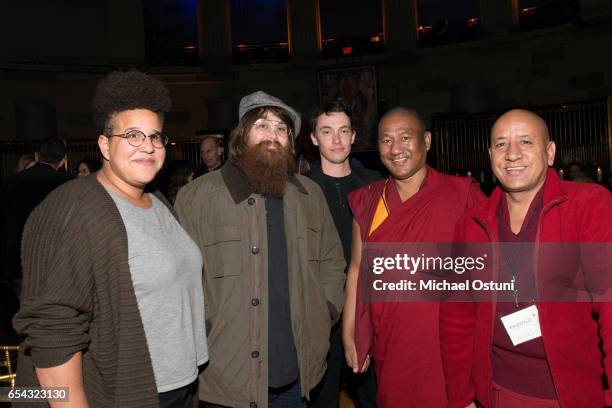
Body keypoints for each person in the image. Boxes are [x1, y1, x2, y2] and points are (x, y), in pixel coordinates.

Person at [13, 70, 208, 408]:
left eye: (155, 136)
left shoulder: (157, 200)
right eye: (132, 135)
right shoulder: (74, 208)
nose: (147, 146)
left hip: (178, 386)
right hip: (127, 393)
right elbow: (51, 331)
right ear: (104, 144)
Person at [175, 90, 346, 408]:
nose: (274, 135)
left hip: (299, 375)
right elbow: (181, 278)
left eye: (282, 129)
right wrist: (206, 325)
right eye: (263, 125)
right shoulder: (197, 198)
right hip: (227, 375)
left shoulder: (309, 195)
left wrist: (326, 310)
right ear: (241, 135)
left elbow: (332, 258)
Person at [439, 109, 612, 408]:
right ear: (491, 154)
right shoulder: (472, 223)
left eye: (526, 142)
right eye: (502, 144)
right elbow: (457, 317)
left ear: (550, 152)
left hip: (569, 395)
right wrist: (461, 397)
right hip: (497, 392)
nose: (512, 154)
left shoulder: (587, 205)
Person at [342, 107, 484, 408]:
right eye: (386, 140)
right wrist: (351, 331)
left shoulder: (462, 195)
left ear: (427, 140)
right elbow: (357, 269)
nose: (396, 149)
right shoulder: (369, 200)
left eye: (406, 137)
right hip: (393, 339)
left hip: (451, 340)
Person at [306, 98, 380, 408]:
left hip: (369, 309)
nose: (336, 139)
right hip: (322, 313)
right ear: (313, 138)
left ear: (353, 136)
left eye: (343, 131)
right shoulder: (301, 189)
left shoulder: (376, 184)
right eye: (327, 131)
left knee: (374, 396)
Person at [0, 138, 71, 298]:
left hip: (19, 260)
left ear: (37, 156)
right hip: (55, 261)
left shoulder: (12, 181)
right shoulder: (68, 184)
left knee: (26, 310)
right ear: (62, 161)